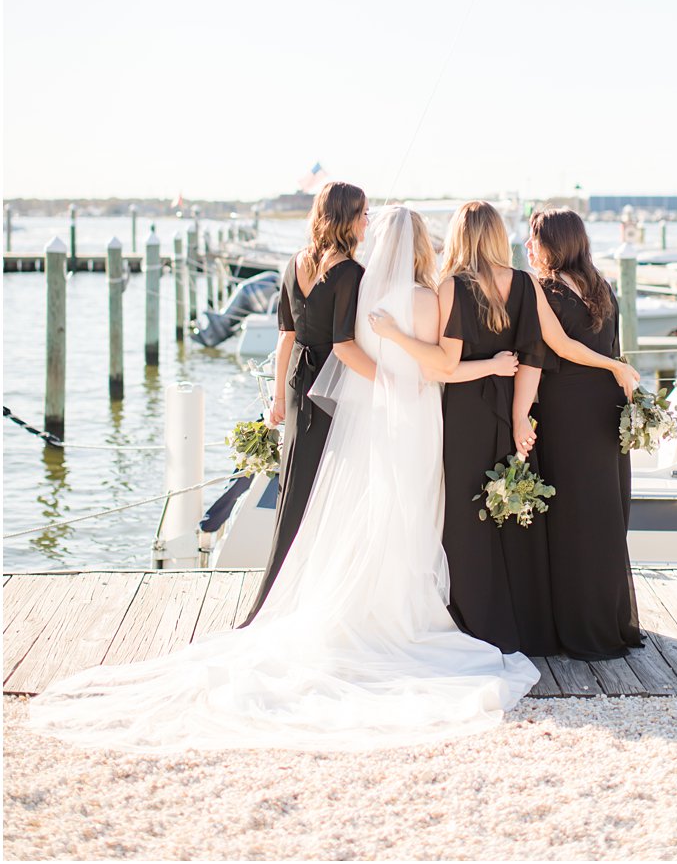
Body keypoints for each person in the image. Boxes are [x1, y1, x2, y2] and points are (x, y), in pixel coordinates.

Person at [28, 206, 540, 751]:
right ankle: (402, 604)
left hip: (369, 416)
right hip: (411, 411)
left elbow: (334, 346)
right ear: (420, 245)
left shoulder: (365, 292)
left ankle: (367, 597)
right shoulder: (426, 296)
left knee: (370, 505)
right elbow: (438, 367)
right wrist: (479, 368)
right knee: (412, 508)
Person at [371, 201, 639, 657]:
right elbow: (534, 355)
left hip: (467, 411)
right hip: (518, 409)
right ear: (497, 234)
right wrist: (520, 418)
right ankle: (533, 626)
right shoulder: (529, 282)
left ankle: (476, 624)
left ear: (459, 235)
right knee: (520, 520)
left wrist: (397, 337)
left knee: (466, 516)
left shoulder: (452, 286)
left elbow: (446, 367)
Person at [241, 180, 372, 623]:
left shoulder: (293, 262)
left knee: (298, 485)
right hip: (335, 389)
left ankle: (286, 587)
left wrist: (279, 396)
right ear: (347, 218)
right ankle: (315, 592)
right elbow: (346, 347)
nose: (367, 222)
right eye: (363, 213)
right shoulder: (351, 273)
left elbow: (286, 336)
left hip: (299, 383)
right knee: (334, 488)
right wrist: (394, 380)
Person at [527, 208, 642, 661]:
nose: (529, 247)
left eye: (534, 239)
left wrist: (614, 366)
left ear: (553, 243)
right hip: (605, 408)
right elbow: (612, 348)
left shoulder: (543, 289)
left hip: (569, 410)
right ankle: (605, 617)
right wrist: (615, 369)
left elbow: (559, 347)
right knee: (603, 511)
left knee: (573, 514)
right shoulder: (602, 286)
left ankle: (577, 623)